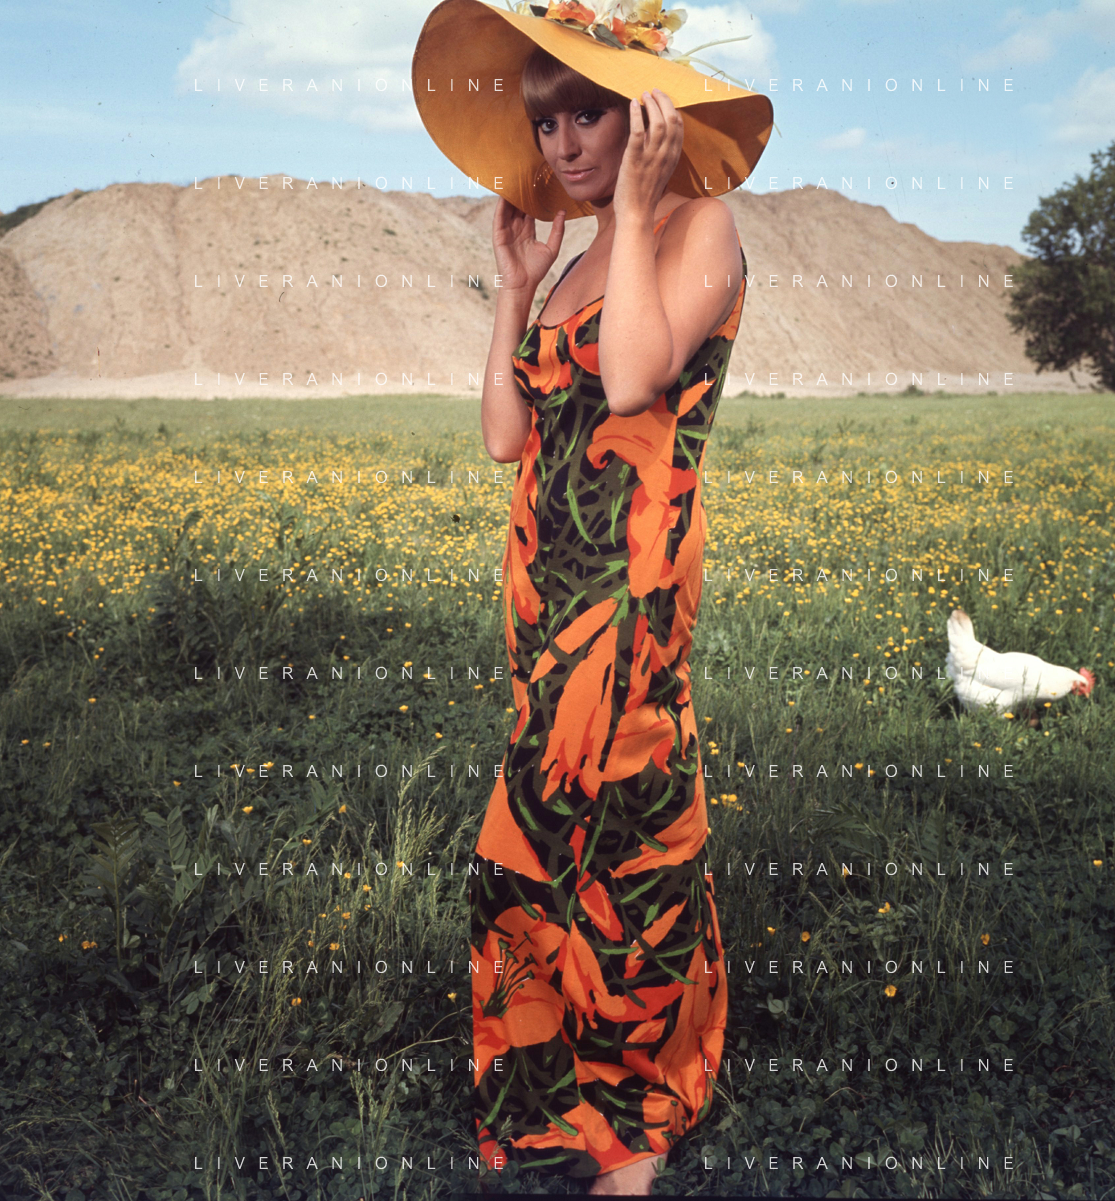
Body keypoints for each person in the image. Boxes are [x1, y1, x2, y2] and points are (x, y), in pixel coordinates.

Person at [411, 2, 772, 1193]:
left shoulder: (698, 226)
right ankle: (551, 1089)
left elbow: (628, 381)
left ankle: (639, 1119)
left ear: (645, 117)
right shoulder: (570, 259)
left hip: (629, 583)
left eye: (586, 116)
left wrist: (632, 208)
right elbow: (504, 438)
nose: (562, 145)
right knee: (540, 827)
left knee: (625, 831)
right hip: (540, 587)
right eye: (545, 123)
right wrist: (515, 289)